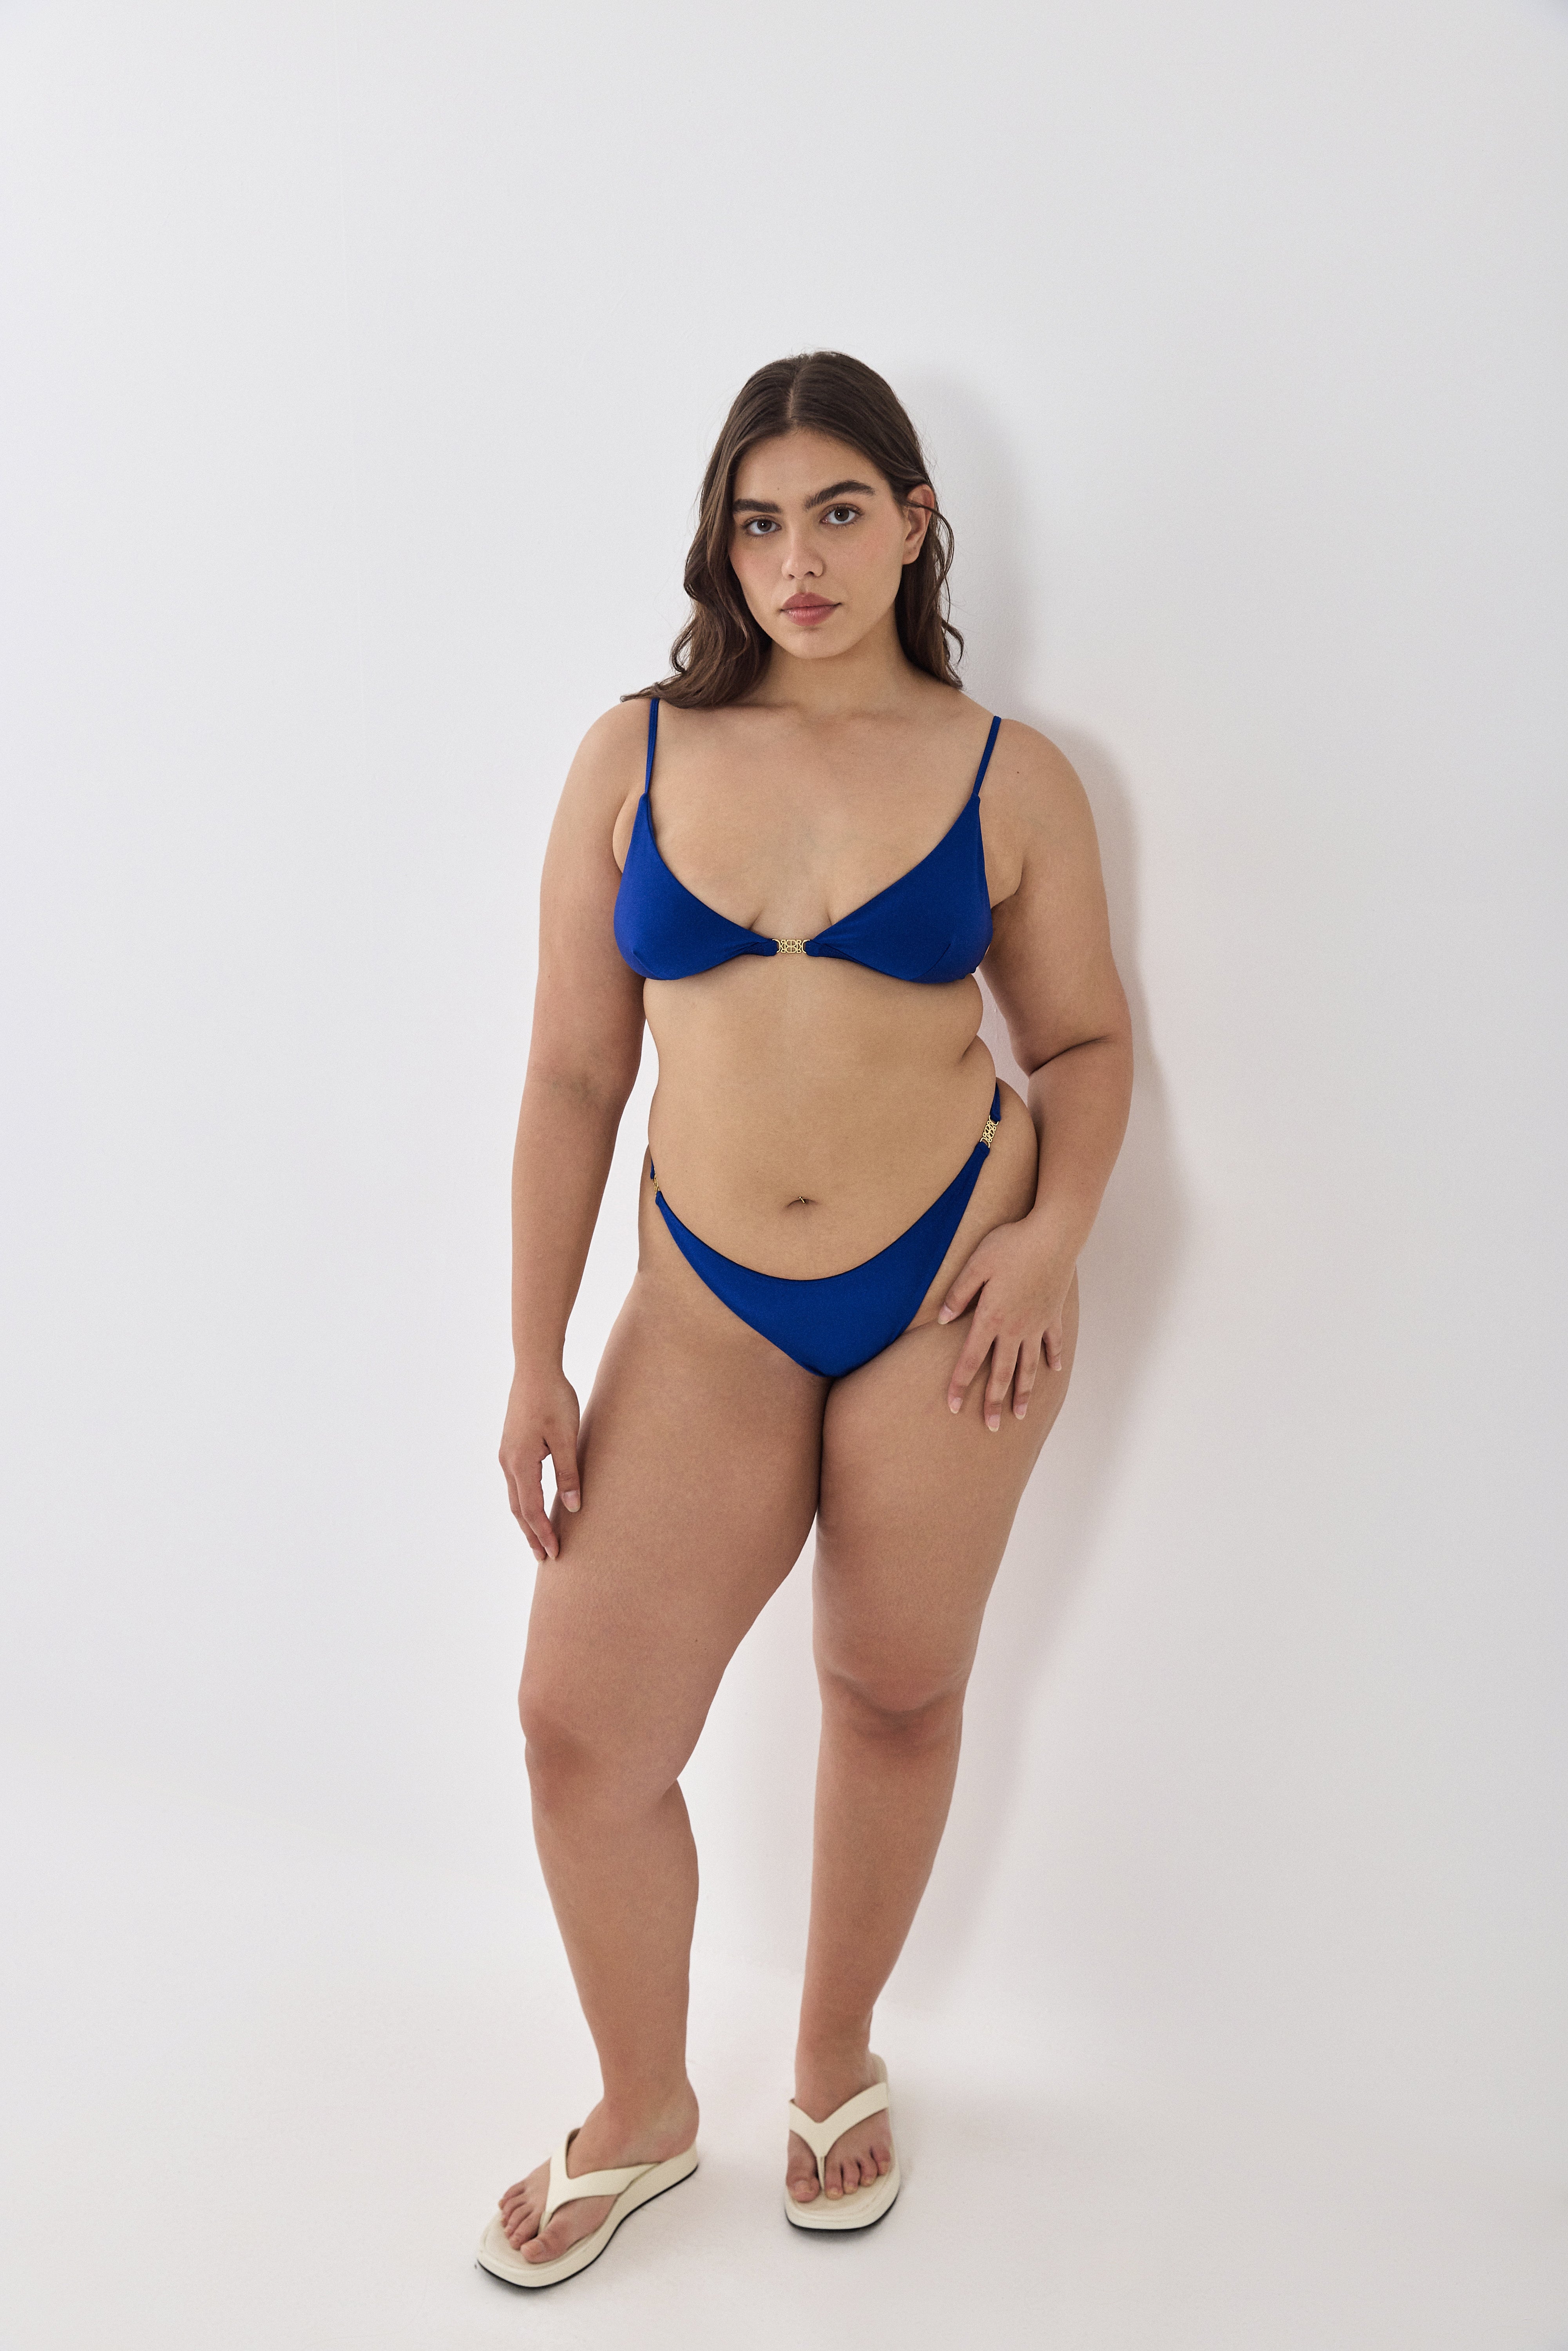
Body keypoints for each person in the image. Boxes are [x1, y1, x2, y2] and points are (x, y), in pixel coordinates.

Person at [477, 351, 1133, 2288]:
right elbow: (571, 1078)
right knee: (578, 1732)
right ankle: (640, 2107)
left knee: (892, 1690)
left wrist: (1052, 1238)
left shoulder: (1012, 775)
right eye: (758, 523)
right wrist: (531, 1350)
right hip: (703, 1302)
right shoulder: (631, 758)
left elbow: (1083, 1046)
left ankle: (835, 2058)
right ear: (721, 544)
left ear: (914, 523)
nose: (797, 561)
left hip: (950, 1289)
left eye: (838, 512)